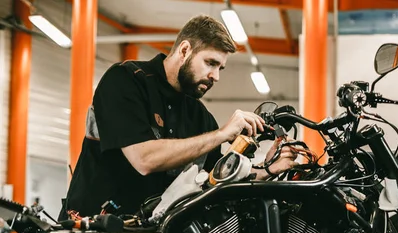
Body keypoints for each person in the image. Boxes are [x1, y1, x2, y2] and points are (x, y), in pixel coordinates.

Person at [59, 14, 297, 220]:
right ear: (184, 50)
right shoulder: (125, 80)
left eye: (220, 68)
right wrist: (222, 134)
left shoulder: (199, 116)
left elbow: (217, 178)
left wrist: (268, 169)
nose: (215, 76)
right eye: (210, 63)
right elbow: (144, 160)